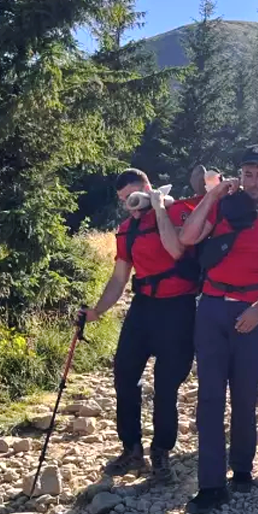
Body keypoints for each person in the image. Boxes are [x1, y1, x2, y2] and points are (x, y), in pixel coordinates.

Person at [179, 145, 258, 514]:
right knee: (210, 398)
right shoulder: (222, 207)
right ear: (240, 175)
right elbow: (187, 237)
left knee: (245, 397)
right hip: (211, 308)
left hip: (252, 311)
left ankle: (242, 470)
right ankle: (211, 485)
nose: (254, 181)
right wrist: (212, 194)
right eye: (248, 174)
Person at [81, 168, 199, 483]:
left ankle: (161, 452)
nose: (130, 206)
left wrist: (158, 206)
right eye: (123, 201)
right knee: (124, 375)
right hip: (143, 307)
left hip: (179, 308)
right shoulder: (126, 229)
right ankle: (132, 449)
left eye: (133, 197)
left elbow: (176, 249)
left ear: (147, 188)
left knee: (166, 386)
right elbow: (119, 277)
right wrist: (97, 311)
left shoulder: (178, 213)